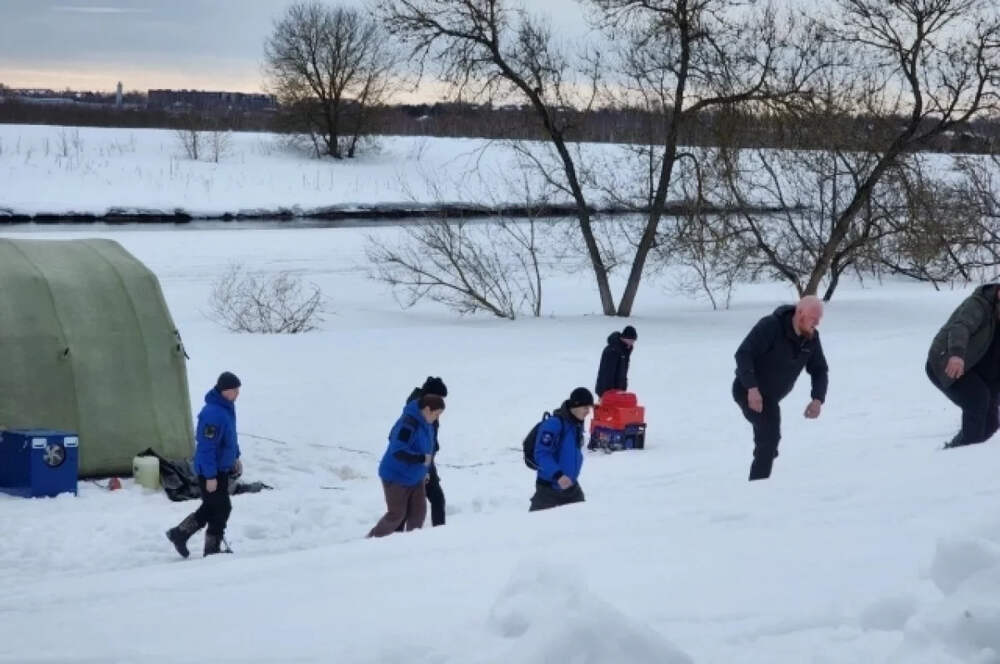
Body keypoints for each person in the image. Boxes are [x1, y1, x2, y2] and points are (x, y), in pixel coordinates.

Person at [733, 296, 828, 481]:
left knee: (769, 443)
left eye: (819, 319)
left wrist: (817, 399)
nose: (817, 323)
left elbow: (819, 370)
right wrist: (752, 388)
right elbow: (743, 354)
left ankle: (764, 461)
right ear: (799, 313)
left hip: (771, 398)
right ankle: (757, 486)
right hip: (747, 390)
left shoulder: (811, 338)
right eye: (813, 318)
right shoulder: (771, 327)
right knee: (769, 438)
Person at [166, 371, 243, 557]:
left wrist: (236, 457)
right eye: (235, 390)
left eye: (238, 390)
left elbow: (230, 437)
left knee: (211, 507)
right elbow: (206, 448)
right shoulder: (212, 414)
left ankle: (180, 534)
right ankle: (211, 550)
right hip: (211, 471)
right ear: (225, 391)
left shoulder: (226, 407)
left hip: (221, 469)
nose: (237, 394)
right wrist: (210, 477)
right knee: (222, 508)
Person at [926, 283, 1000, 448]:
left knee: (991, 423)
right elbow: (961, 326)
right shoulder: (978, 304)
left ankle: (962, 452)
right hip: (947, 362)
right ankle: (960, 454)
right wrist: (957, 354)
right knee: (978, 401)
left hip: (979, 369)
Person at [368, 393, 445, 537]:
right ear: (427, 409)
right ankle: (371, 540)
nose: (437, 418)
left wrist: (426, 471)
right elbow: (398, 450)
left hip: (416, 477)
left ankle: (409, 543)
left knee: (419, 513)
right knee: (397, 515)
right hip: (396, 477)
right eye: (436, 414)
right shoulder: (408, 424)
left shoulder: (428, 424)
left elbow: (427, 449)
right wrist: (421, 459)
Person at [529, 387, 594, 512]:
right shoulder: (554, 424)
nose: (588, 412)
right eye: (586, 408)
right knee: (536, 522)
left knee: (583, 519)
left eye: (589, 408)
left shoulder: (576, 424)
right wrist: (558, 475)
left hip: (571, 488)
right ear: (575, 406)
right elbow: (541, 454)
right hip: (549, 490)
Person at [402, 376, 448, 527]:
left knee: (437, 499)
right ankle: (394, 537)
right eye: (439, 397)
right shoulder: (416, 413)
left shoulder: (429, 409)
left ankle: (439, 533)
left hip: (426, 462)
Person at [595, 325, 637, 398]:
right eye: (631, 340)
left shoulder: (624, 350)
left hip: (618, 391)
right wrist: (609, 393)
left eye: (633, 341)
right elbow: (607, 374)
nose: (632, 343)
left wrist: (623, 388)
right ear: (624, 338)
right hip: (607, 391)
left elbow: (623, 372)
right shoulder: (613, 350)